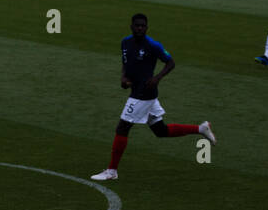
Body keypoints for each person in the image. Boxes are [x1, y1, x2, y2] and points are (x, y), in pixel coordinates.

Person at [90, 13, 216, 182]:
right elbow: (125, 62)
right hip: (137, 91)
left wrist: (157, 78)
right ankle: (201, 129)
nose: (140, 28)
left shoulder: (153, 45)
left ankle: (112, 171)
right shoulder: (125, 42)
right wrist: (123, 77)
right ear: (131, 27)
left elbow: (170, 63)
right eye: (137, 25)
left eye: (143, 26)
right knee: (160, 131)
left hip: (143, 94)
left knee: (122, 128)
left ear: (147, 28)